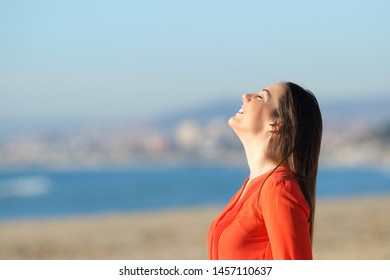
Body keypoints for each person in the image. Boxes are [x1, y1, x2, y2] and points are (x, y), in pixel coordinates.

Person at [208, 82, 323, 260]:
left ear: (276, 123)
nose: (246, 95)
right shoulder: (252, 185)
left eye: (261, 97)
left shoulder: (279, 188)